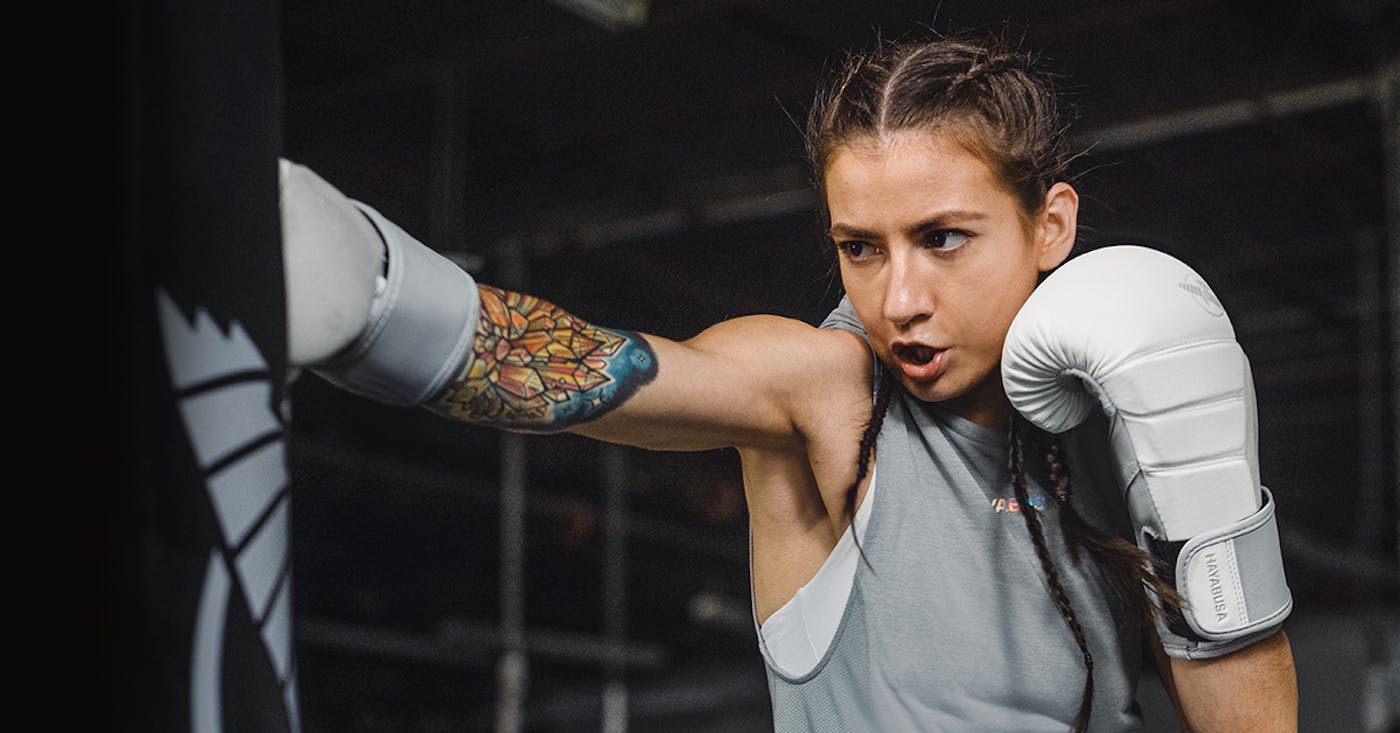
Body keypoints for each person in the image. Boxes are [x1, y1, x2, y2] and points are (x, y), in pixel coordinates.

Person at [281, 32, 1299, 732]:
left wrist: (1199, 498)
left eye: (942, 238)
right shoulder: (827, 392)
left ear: (1052, 227)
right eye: (860, 248)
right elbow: (611, 371)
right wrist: (382, 299)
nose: (896, 296)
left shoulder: (1099, 429)